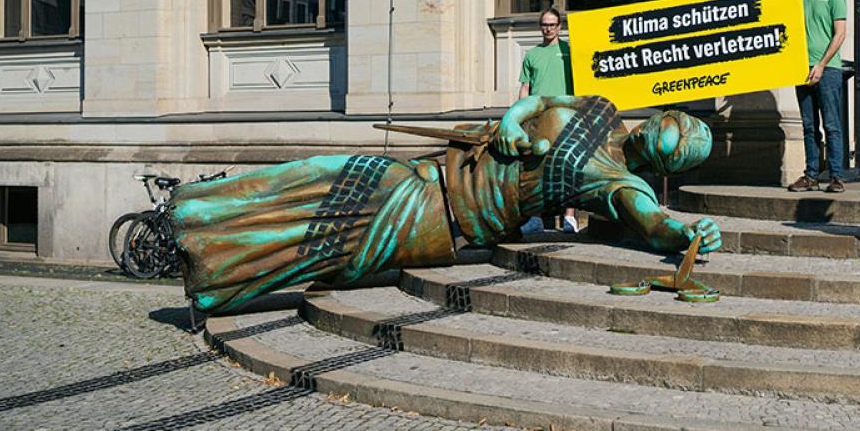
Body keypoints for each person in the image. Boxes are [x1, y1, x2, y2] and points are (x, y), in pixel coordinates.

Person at [169, 94, 721, 315]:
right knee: (319, 173)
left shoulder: (623, 186)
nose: (662, 135)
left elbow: (653, 226)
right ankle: (197, 213)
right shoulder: (602, 109)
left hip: (447, 217)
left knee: (324, 244)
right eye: (673, 124)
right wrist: (509, 121)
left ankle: (218, 279)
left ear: (667, 166)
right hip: (436, 169)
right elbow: (540, 101)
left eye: (674, 146)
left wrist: (689, 232)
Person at [787, 0, 848, 194]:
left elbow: (840, 33)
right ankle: (811, 175)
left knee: (831, 125)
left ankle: (836, 177)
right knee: (809, 126)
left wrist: (821, 65)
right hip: (801, 69)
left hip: (828, 70)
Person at [517, 7, 578, 232]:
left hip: (565, 116)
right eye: (544, 24)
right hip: (538, 118)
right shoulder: (532, 55)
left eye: (552, 24)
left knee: (568, 164)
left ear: (560, 27)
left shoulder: (571, 52)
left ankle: (569, 218)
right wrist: (520, 115)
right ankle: (535, 218)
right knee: (535, 166)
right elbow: (525, 88)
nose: (548, 28)